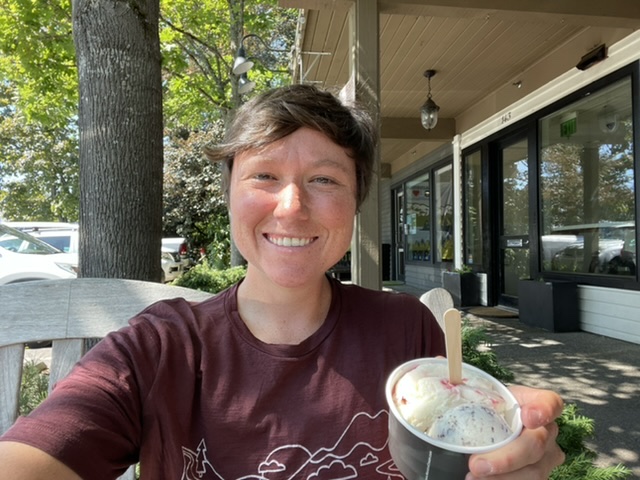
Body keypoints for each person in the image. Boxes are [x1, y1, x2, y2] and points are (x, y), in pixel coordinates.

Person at [0, 84, 564, 479]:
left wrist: (506, 455)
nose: (291, 207)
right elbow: (43, 448)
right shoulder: (159, 347)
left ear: (355, 203)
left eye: (323, 179)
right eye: (264, 175)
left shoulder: (408, 329)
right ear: (229, 194)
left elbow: (458, 453)